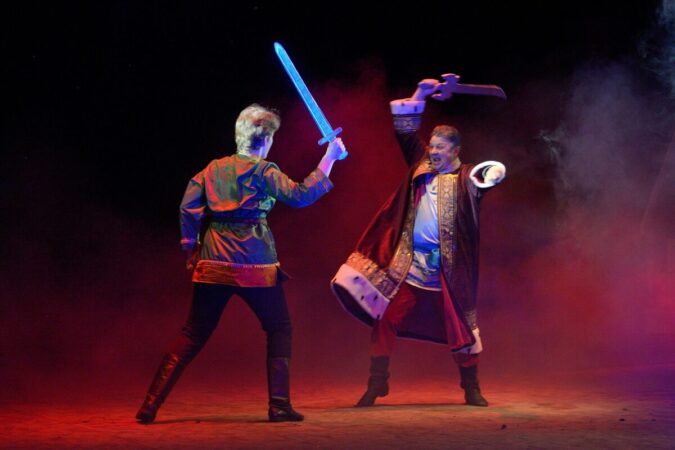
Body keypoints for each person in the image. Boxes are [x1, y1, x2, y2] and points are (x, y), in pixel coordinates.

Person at [136, 104, 347, 423]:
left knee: (193, 333)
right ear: (266, 140)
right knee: (279, 327)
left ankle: (150, 404)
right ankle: (279, 406)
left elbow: (187, 208)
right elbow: (301, 195)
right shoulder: (264, 171)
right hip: (254, 265)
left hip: (213, 262)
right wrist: (329, 157)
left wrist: (190, 248)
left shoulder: (213, 169)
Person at [331, 78, 505, 407]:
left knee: (460, 328)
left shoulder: (466, 179)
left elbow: (488, 174)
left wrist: (494, 173)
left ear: (455, 151)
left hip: (447, 271)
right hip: (410, 266)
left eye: (441, 148)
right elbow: (406, 130)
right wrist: (421, 93)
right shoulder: (421, 166)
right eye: (433, 146)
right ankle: (377, 384)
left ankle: (471, 388)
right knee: (385, 318)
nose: (434, 152)